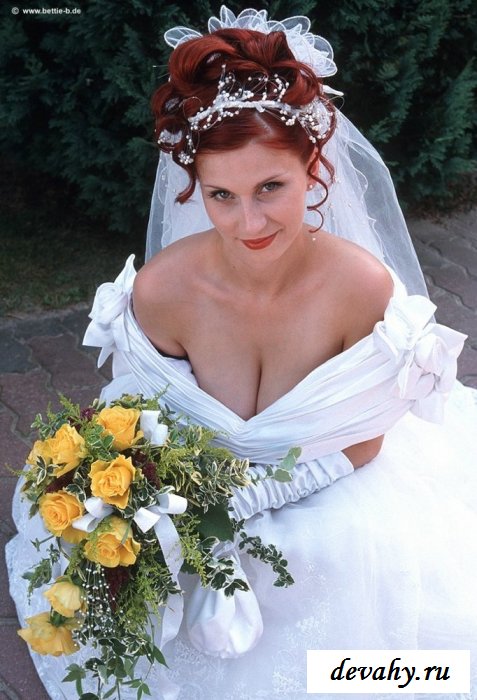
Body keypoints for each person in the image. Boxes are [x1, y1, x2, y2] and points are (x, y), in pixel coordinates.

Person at [7, 7, 477, 700]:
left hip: (333, 477)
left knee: (341, 552)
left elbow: (366, 438)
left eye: (270, 189)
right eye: (221, 195)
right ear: (193, 186)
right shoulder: (163, 290)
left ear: (312, 168)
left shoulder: (361, 288)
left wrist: (254, 498)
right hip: (199, 478)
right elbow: (145, 417)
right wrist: (172, 505)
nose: (247, 223)